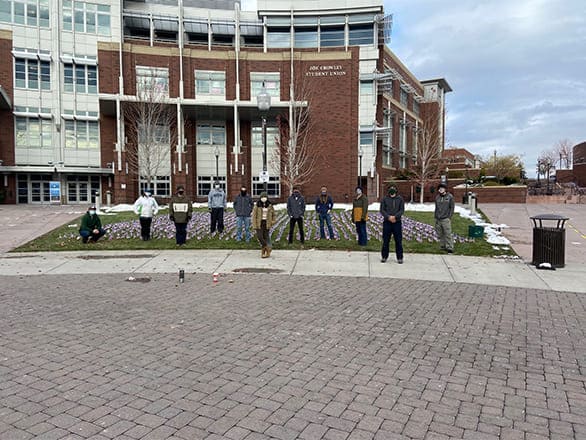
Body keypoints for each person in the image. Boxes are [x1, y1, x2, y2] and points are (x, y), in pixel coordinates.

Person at [380, 185, 405, 264]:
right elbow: (382, 210)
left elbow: (401, 210)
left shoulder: (400, 199)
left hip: (397, 222)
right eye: (390, 189)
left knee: (398, 241)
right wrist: (388, 217)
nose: (392, 191)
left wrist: (395, 217)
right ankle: (384, 256)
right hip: (387, 222)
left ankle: (400, 257)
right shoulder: (384, 199)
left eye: (393, 189)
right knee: (386, 240)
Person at [252, 191, 276, 258]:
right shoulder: (257, 205)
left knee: (266, 236)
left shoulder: (270, 205)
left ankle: (264, 252)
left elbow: (273, 214)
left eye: (265, 197)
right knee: (259, 236)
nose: (263, 198)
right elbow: (254, 216)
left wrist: (273, 221)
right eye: (262, 197)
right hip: (259, 223)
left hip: (267, 223)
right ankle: (267, 247)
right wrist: (254, 225)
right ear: (260, 198)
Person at [435, 182, 455, 253]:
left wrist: (449, 217)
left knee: (447, 233)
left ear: (445, 189)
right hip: (438, 218)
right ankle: (443, 246)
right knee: (440, 233)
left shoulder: (450, 197)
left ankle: (449, 247)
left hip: (445, 218)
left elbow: (452, 207)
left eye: (442, 188)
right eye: (439, 189)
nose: (440, 190)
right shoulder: (437, 197)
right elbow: (436, 208)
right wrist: (436, 216)